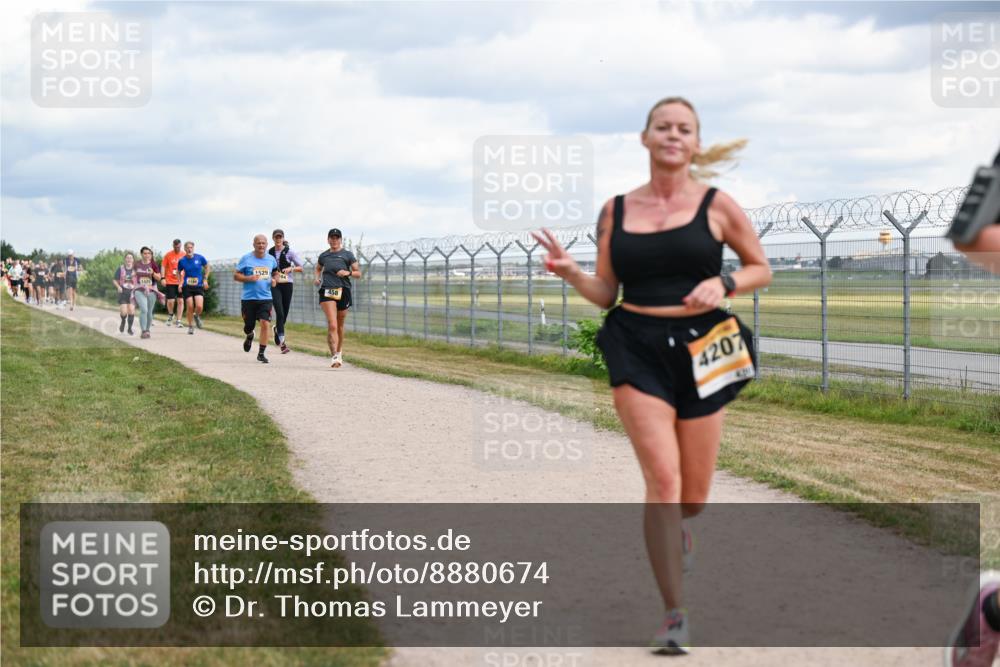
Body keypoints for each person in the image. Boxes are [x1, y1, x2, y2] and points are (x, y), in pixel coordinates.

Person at [532, 97, 771, 654]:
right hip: (636, 343)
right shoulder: (616, 211)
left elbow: (761, 268)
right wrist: (572, 273)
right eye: (663, 126)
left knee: (693, 497)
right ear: (645, 138)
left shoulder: (717, 205)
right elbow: (605, 293)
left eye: (684, 128)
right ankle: (674, 613)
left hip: (705, 345)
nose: (672, 135)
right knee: (662, 482)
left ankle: (680, 528)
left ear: (695, 143)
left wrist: (725, 284)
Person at [314, 228, 361, 368]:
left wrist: (348, 273)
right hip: (327, 290)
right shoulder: (324, 256)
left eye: (337, 238)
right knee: (332, 323)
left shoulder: (347, 255)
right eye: (332, 238)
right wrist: (317, 278)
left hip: (343, 290)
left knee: (339, 325)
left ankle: (339, 352)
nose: (334, 240)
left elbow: (358, 273)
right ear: (328, 240)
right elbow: (318, 268)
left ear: (340, 240)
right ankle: (334, 355)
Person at [234, 234, 278, 364]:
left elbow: (276, 272)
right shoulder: (246, 258)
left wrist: (275, 280)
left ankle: (261, 353)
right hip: (248, 299)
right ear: (254, 244)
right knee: (248, 326)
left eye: (263, 243)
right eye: (258, 243)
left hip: (266, 298)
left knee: (265, 323)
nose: (261, 245)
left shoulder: (271, 259)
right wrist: (248, 278)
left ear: (267, 245)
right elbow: (236, 276)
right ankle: (249, 335)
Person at [267, 229, 304, 354]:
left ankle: (277, 329)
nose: (278, 239)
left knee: (285, 313)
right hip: (275, 284)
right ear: (273, 238)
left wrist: (290, 268)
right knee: (280, 312)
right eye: (276, 237)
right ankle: (283, 344)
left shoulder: (290, 252)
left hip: (287, 284)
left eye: (280, 237)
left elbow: (301, 267)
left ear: (283, 238)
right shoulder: (269, 253)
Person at [177, 241, 210, 335]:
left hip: (198, 285)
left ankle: (196, 315)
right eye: (187, 247)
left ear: (193, 248)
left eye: (191, 247)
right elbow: (178, 272)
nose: (189, 249)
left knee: (199, 306)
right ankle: (190, 326)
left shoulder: (200, 258)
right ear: (185, 249)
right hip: (187, 286)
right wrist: (180, 282)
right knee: (190, 306)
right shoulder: (182, 260)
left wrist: (205, 279)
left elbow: (207, 267)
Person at [134, 247, 163, 339]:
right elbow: (131, 275)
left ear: (151, 255)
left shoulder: (153, 264)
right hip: (139, 289)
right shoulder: (137, 264)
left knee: (149, 311)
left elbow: (159, 278)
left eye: (149, 253)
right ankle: (143, 331)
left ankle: (147, 330)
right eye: (145, 253)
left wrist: (153, 273)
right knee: (144, 309)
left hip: (151, 289)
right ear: (141, 254)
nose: (147, 255)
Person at [161, 238, 186, 328]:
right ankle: (171, 315)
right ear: (173, 246)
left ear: (181, 246)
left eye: (179, 247)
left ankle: (178, 321)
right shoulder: (168, 255)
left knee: (180, 301)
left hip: (181, 282)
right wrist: (162, 278)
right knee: (171, 301)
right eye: (176, 247)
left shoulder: (184, 255)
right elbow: (163, 266)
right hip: (170, 281)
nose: (177, 249)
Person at [113, 252, 137, 335]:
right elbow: (114, 280)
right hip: (123, 292)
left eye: (131, 258)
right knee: (123, 312)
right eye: (127, 258)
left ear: (133, 260)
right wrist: (118, 287)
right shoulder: (120, 269)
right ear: (125, 259)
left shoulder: (136, 270)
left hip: (132, 293)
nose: (129, 259)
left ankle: (129, 329)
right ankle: (123, 321)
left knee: (131, 310)